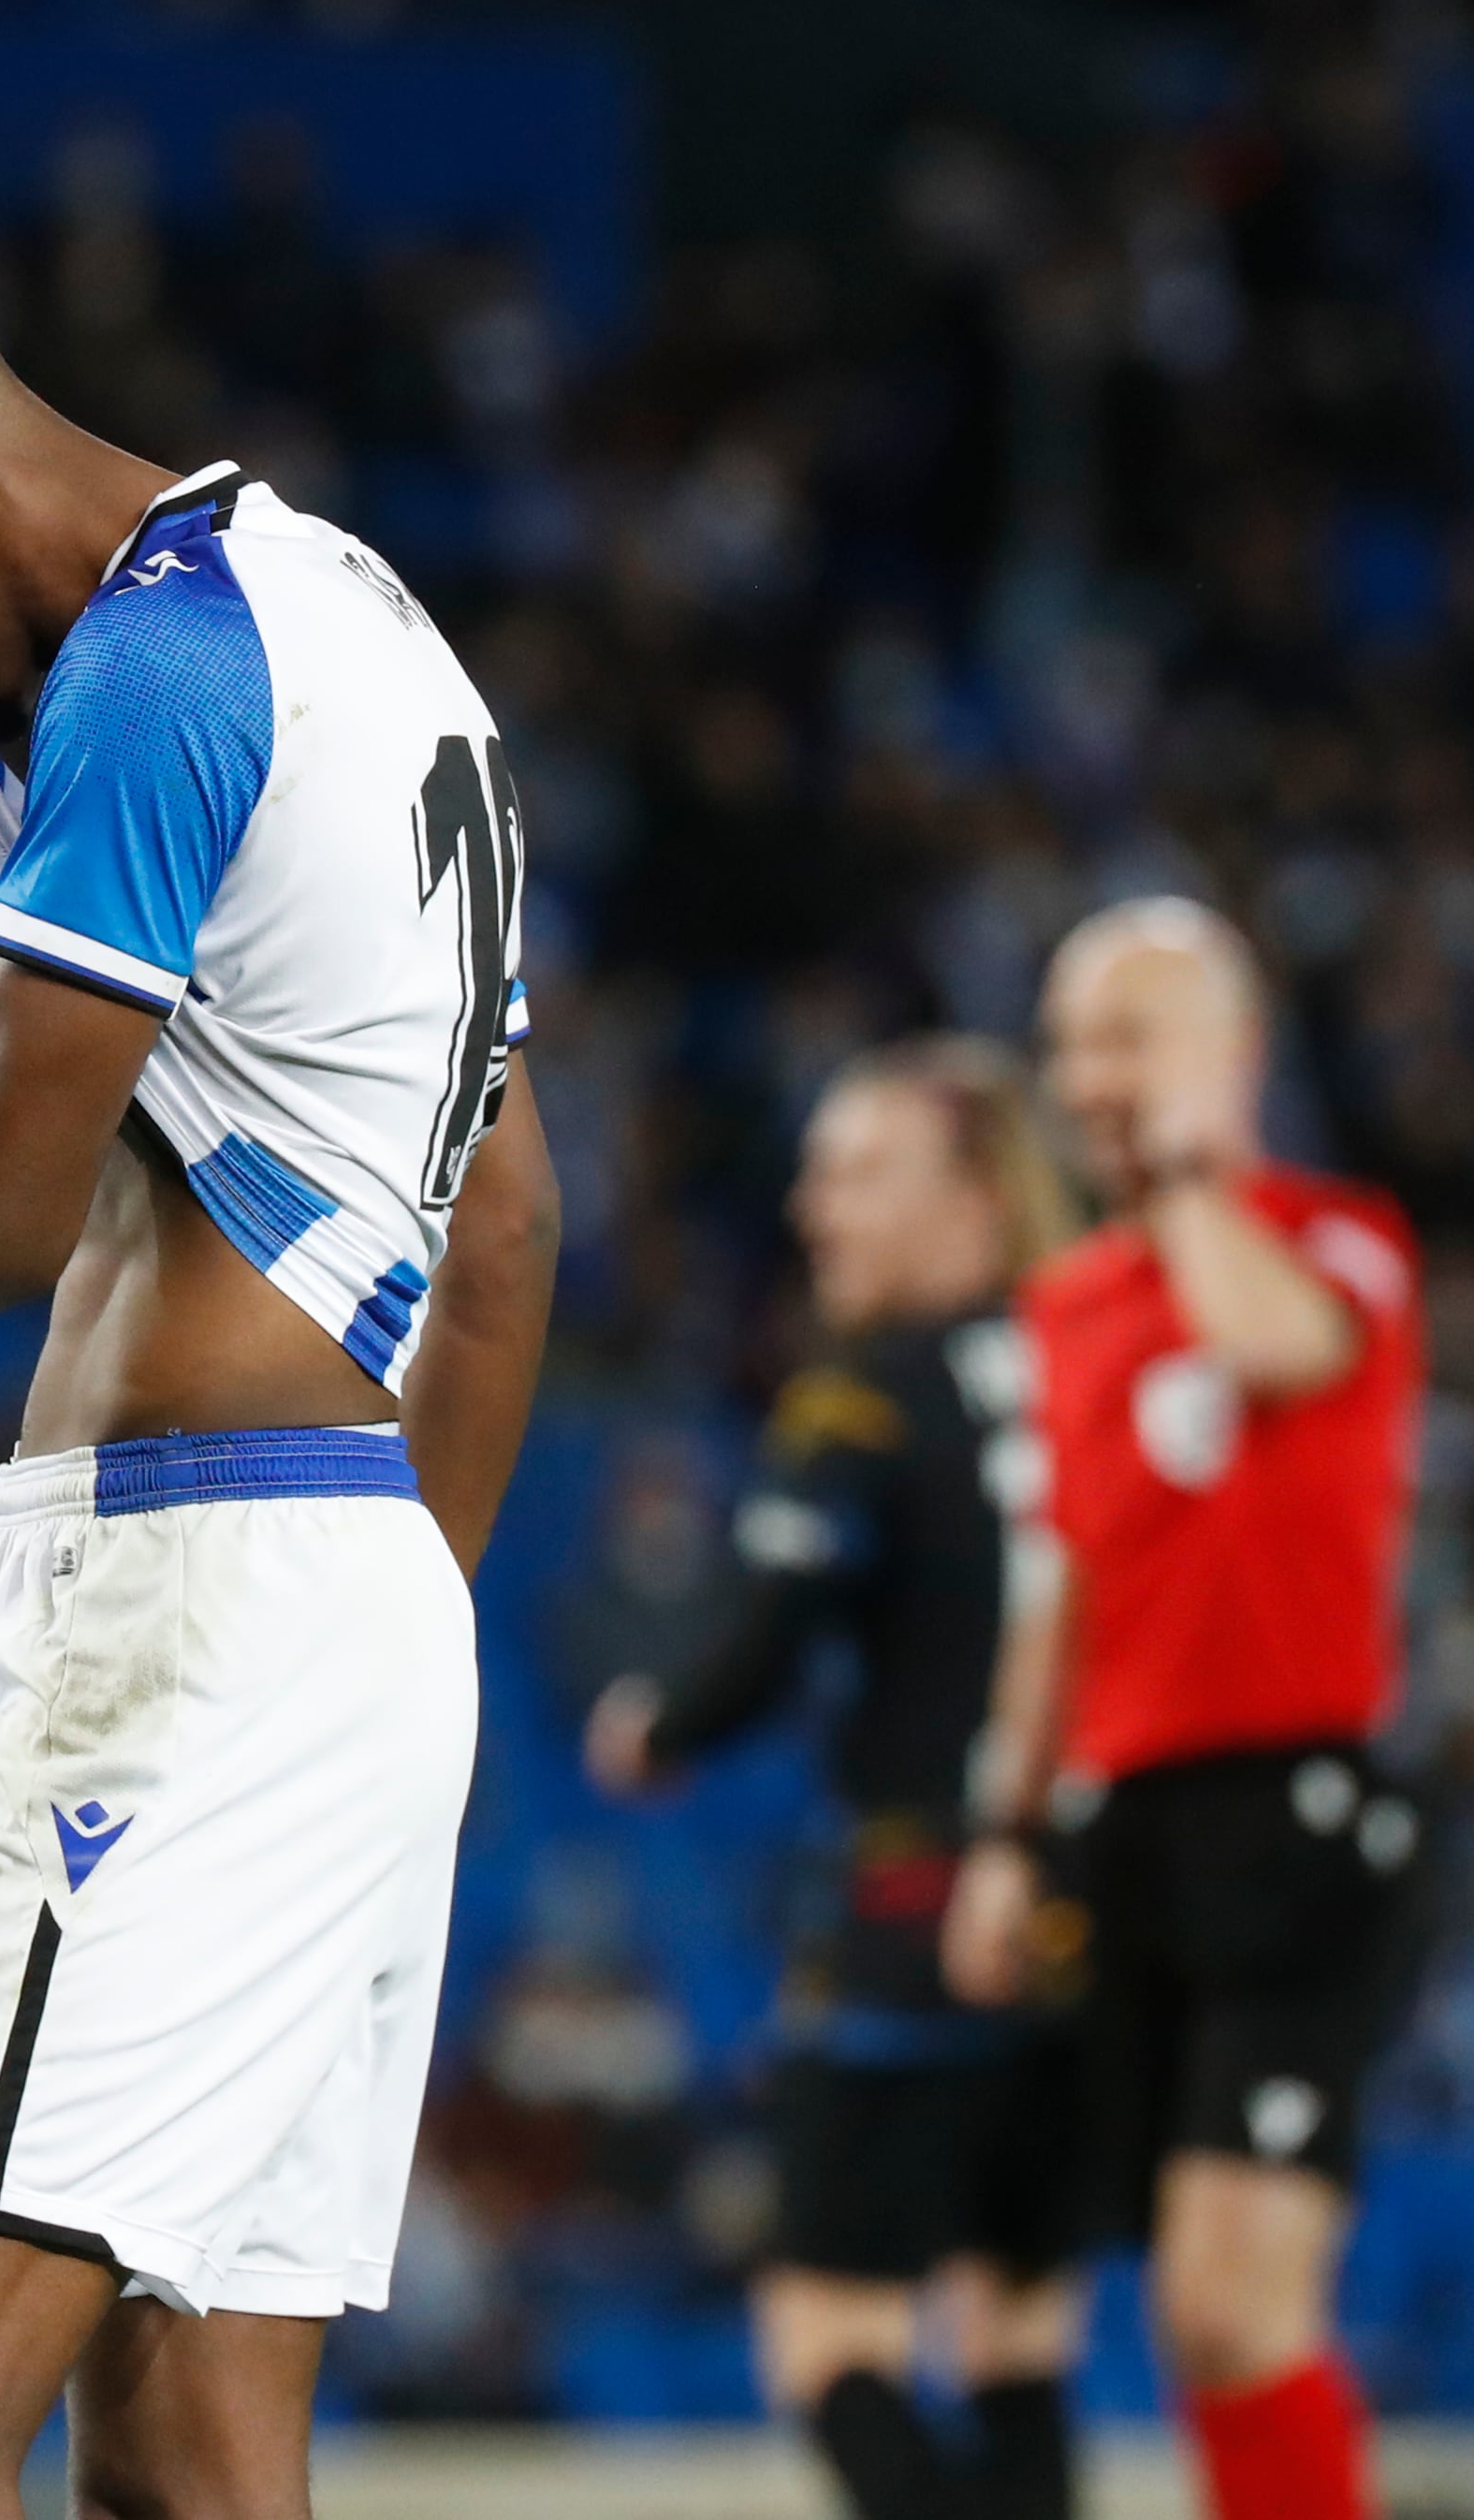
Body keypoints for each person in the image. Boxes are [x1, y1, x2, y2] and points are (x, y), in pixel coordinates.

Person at [0, 247, 562, 2519]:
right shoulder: (356, 613)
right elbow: (512, 1220)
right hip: (341, 1604)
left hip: (187, 1606)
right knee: (190, 2456)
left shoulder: (155, 666)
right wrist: (374, 1644)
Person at [944, 898, 1427, 2520]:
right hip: (1121, 1825)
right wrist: (1005, 1832)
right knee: (1177, 2316)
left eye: (1127, 1036)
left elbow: (1264, 1340)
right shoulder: (1066, 1303)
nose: (1086, 1077)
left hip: (1295, 1818)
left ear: (1233, 1056)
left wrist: (1192, 1170)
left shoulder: (1339, 1236)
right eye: (1069, 1042)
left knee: (1232, 2302)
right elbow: (1063, 1588)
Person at [586, 1040, 1084, 2520]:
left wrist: (654, 1727)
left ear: (979, 1194)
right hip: (1081, 1907)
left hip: (914, 1905)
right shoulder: (1091, 1368)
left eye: (860, 1171)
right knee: (1016, 2329)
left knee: (824, 2337)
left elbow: (770, 1636)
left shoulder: (863, 1394)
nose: (815, 1206)